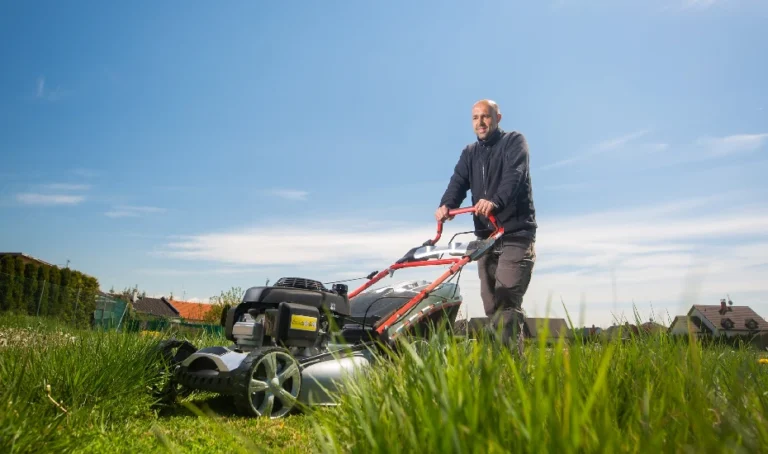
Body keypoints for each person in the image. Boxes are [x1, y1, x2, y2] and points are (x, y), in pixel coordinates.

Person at [435, 99, 537, 355]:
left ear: (498, 118)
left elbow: (515, 176)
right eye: (475, 118)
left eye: (486, 116)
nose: (480, 122)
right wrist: (446, 205)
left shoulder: (514, 142)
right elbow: (458, 182)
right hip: (487, 238)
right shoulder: (470, 153)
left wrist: (494, 202)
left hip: (515, 234)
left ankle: (514, 369)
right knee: (491, 304)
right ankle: (502, 363)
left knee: (506, 299)